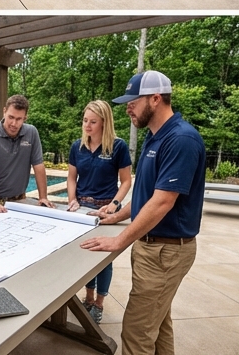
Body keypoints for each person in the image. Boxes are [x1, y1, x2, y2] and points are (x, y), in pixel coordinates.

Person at [81, 71, 206, 355]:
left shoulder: (181, 139)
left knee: (137, 334)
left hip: (166, 251)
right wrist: (116, 215)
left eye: (133, 102)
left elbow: (163, 202)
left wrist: (119, 240)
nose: (127, 107)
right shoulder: (155, 137)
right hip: (156, 249)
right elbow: (146, 197)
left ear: (155, 99)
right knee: (159, 325)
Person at [67, 99, 133, 323]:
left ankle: (99, 304)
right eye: (85, 120)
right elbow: (71, 177)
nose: (87, 125)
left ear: (104, 123)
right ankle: (88, 297)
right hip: (82, 209)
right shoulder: (77, 146)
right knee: (86, 253)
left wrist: (115, 204)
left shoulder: (118, 146)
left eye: (93, 122)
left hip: (106, 209)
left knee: (104, 258)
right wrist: (71, 200)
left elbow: (125, 182)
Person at [0, 94, 54, 212]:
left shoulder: (31, 133)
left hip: (20, 200)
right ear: (4, 111)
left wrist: (43, 197)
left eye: (19, 119)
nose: (14, 123)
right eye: (11, 117)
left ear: (25, 118)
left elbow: (38, 165)